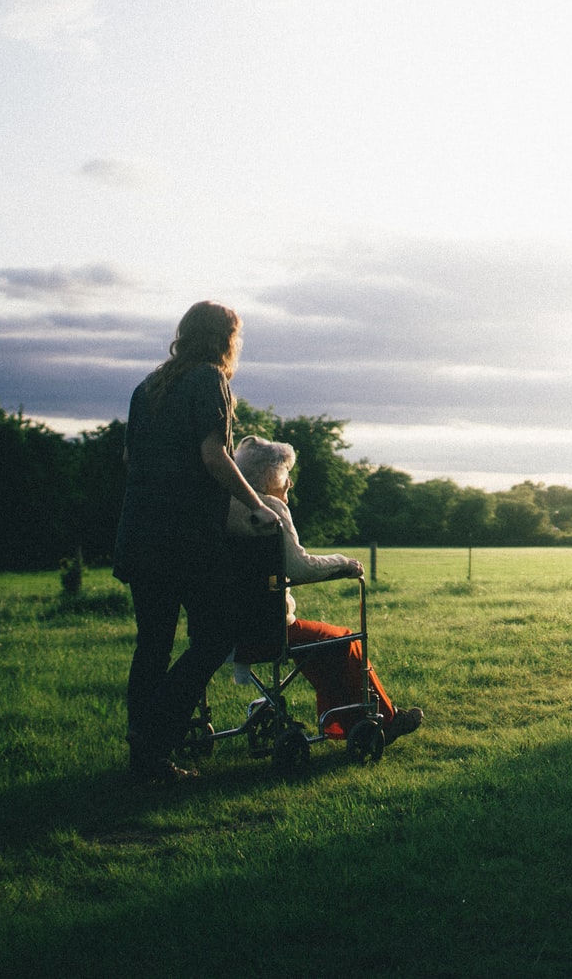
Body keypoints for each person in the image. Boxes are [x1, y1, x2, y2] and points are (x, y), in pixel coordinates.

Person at [113, 301, 279, 783]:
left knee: (153, 645)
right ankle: (155, 737)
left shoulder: (148, 387)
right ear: (225, 338)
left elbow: (131, 456)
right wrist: (256, 504)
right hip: (183, 537)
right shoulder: (210, 381)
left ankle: (144, 756)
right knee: (215, 636)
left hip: (139, 531)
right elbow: (214, 455)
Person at [226, 436, 423, 743]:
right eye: (286, 474)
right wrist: (342, 563)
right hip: (268, 630)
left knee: (321, 645)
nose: (290, 482)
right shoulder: (270, 508)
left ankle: (343, 723)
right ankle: (386, 719)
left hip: (227, 629)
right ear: (270, 476)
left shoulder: (226, 507)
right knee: (344, 639)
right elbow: (299, 568)